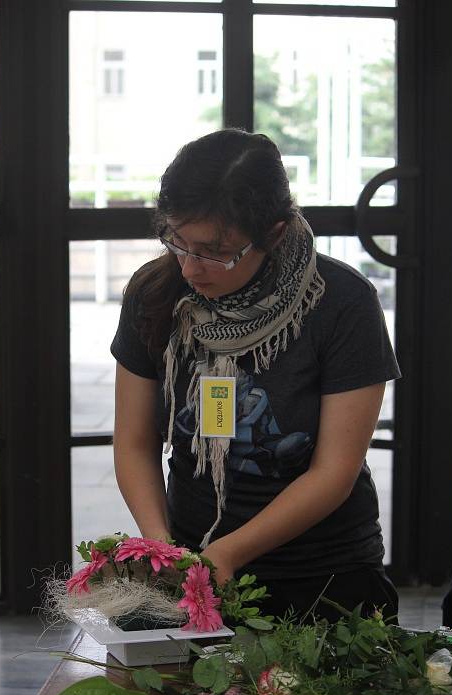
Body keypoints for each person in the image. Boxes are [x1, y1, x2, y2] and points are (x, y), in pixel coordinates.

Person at [111, 128, 401, 623]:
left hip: (323, 577)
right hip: (195, 571)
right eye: (175, 241)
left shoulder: (343, 302)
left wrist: (226, 555)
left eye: (212, 251)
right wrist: (164, 551)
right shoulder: (156, 294)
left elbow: (334, 472)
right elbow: (135, 441)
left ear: (275, 233)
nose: (188, 268)